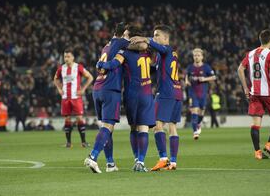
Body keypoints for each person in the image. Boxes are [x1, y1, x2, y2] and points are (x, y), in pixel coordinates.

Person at [84, 25, 151, 173]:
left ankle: (110, 163)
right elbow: (142, 45)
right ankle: (93, 157)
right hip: (110, 90)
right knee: (108, 127)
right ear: (123, 35)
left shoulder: (106, 46)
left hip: (97, 88)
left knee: (107, 128)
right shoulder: (122, 44)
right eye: (127, 36)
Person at [131, 25, 182, 170]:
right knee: (172, 127)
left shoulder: (166, 50)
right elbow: (156, 69)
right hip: (177, 92)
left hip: (165, 93)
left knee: (157, 125)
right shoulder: (170, 53)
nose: (154, 38)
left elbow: (158, 47)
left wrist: (143, 38)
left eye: (156, 35)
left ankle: (163, 158)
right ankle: (172, 162)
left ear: (165, 38)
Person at [237, 29, 270, 160]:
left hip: (254, 93)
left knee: (256, 123)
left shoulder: (250, 54)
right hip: (268, 93)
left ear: (260, 39)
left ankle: (257, 152)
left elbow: (240, 69)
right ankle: (269, 144)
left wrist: (246, 88)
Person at [54, 47, 94, 148]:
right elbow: (55, 79)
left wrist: (83, 89)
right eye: (65, 56)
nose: (66, 58)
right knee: (67, 119)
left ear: (73, 57)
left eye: (68, 56)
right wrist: (59, 89)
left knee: (79, 118)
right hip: (65, 97)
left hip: (76, 97)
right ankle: (68, 143)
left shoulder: (78, 67)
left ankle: (83, 142)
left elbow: (90, 77)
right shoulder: (61, 68)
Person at [185, 48, 216, 139]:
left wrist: (205, 79)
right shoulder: (190, 67)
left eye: (198, 55)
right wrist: (186, 81)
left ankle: (198, 124)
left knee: (201, 112)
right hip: (193, 93)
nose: (196, 57)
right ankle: (195, 132)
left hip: (202, 94)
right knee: (194, 111)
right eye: (195, 55)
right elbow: (187, 76)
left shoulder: (206, 67)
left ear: (202, 57)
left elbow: (213, 77)